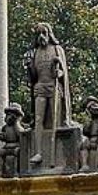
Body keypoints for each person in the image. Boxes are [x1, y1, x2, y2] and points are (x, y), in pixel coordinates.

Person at [25, 23, 71, 166]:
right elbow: (33, 76)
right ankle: (38, 152)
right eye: (38, 33)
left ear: (49, 34)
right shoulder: (35, 52)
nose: (41, 36)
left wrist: (59, 71)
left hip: (53, 86)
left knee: (55, 117)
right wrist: (29, 67)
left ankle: (55, 153)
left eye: (44, 33)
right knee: (38, 119)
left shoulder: (57, 49)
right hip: (40, 86)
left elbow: (63, 73)